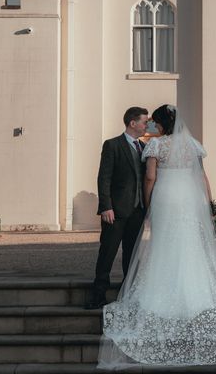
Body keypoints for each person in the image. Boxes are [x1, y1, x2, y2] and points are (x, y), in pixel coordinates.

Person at [97, 104, 216, 369]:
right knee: (191, 245)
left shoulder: (157, 147)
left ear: (162, 124)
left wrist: (148, 206)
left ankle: (158, 294)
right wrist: (208, 204)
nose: (153, 127)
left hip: (167, 199)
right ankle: (198, 294)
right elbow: (203, 177)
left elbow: (149, 178)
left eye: (155, 123)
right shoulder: (193, 144)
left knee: (164, 245)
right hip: (190, 200)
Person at [86, 106, 149, 310]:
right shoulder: (112, 145)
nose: (146, 125)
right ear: (133, 123)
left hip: (137, 211)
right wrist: (106, 206)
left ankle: (127, 295)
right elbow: (104, 178)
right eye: (144, 121)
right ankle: (98, 295)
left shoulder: (144, 147)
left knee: (131, 256)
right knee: (107, 252)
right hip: (115, 211)